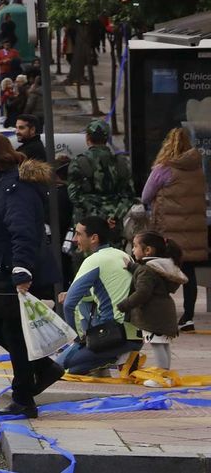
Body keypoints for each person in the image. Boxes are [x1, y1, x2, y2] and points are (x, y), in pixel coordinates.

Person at [0, 133, 62, 418]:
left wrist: (21, 269)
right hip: (3, 270)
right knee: (2, 328)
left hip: (11, 271)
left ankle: (25, 394)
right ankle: (40, 372)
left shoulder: (14, 187)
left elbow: (22, 230)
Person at [142, 127, 207, 330]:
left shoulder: (163, 169)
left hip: (168, 231)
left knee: (160, 270)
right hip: (194, 231)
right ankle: (188, 317)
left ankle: (160, 314)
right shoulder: (197, 169)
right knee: (189, 273)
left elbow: (145, 196)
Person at [59, 217, 141, 375]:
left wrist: (76, 338)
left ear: (94, 238)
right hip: (133, 333)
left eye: (78, 234)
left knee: (60, 369)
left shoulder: (94, 260)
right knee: (76, 370)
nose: (75, 239)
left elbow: (69, 304)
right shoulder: (122, 255)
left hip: (112, 336)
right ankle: (108, 358)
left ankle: (111, 356)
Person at [119, 231, 188, 372]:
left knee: (157, 345)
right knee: (163, 344)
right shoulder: (160, 267)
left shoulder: (147, 270)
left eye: (135, 246)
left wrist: (124, 304)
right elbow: (149, 274)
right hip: (164, 311)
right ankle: (165, 373)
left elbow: (143, 292)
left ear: (148, 250)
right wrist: (133, 267)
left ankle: (162, 375)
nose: (132, 250)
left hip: (153, 315)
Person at [67, 120, 129, 229]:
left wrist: (99, 215)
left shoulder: (79, 162)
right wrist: (114, 216)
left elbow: (74, 195)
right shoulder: (121, 162)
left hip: (87, 224)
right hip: (113, 224)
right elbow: (128, 195)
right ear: (107, 138)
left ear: (87, 138)